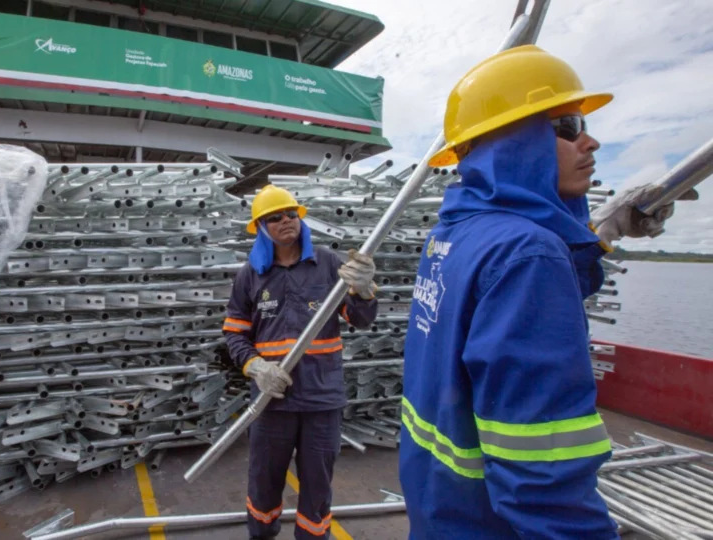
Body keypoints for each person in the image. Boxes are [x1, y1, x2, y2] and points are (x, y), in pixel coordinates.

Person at [399, 45, 698, 539]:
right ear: (513, 143)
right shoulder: (527, 254)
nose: (592, 142)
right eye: (569, 127)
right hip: (489, 524)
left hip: (439, 505)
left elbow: (512, 294)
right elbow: (541, 474)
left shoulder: (451, 235)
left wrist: (600, 231)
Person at [223, 184, 379, 540]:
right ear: (261, 228)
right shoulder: (250, 275)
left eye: (291, 214)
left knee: (317, 486)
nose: (286, 221)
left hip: (321, 398)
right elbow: (234, 333)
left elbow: (361, 320)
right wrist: (255, 367)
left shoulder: (328, 264)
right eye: (275, 218)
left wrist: (364, 291)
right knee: (264, 482)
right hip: (271, 402)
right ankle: (261, 534)